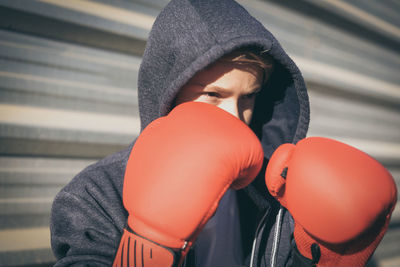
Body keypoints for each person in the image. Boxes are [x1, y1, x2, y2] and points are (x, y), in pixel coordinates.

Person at [50, 0, 396, 266]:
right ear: (168, 94)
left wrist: (326, 255)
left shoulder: (278, 185)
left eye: (249, 96)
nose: (235, 116)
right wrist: (147, 245)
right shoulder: (95, 194)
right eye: (213, 95)